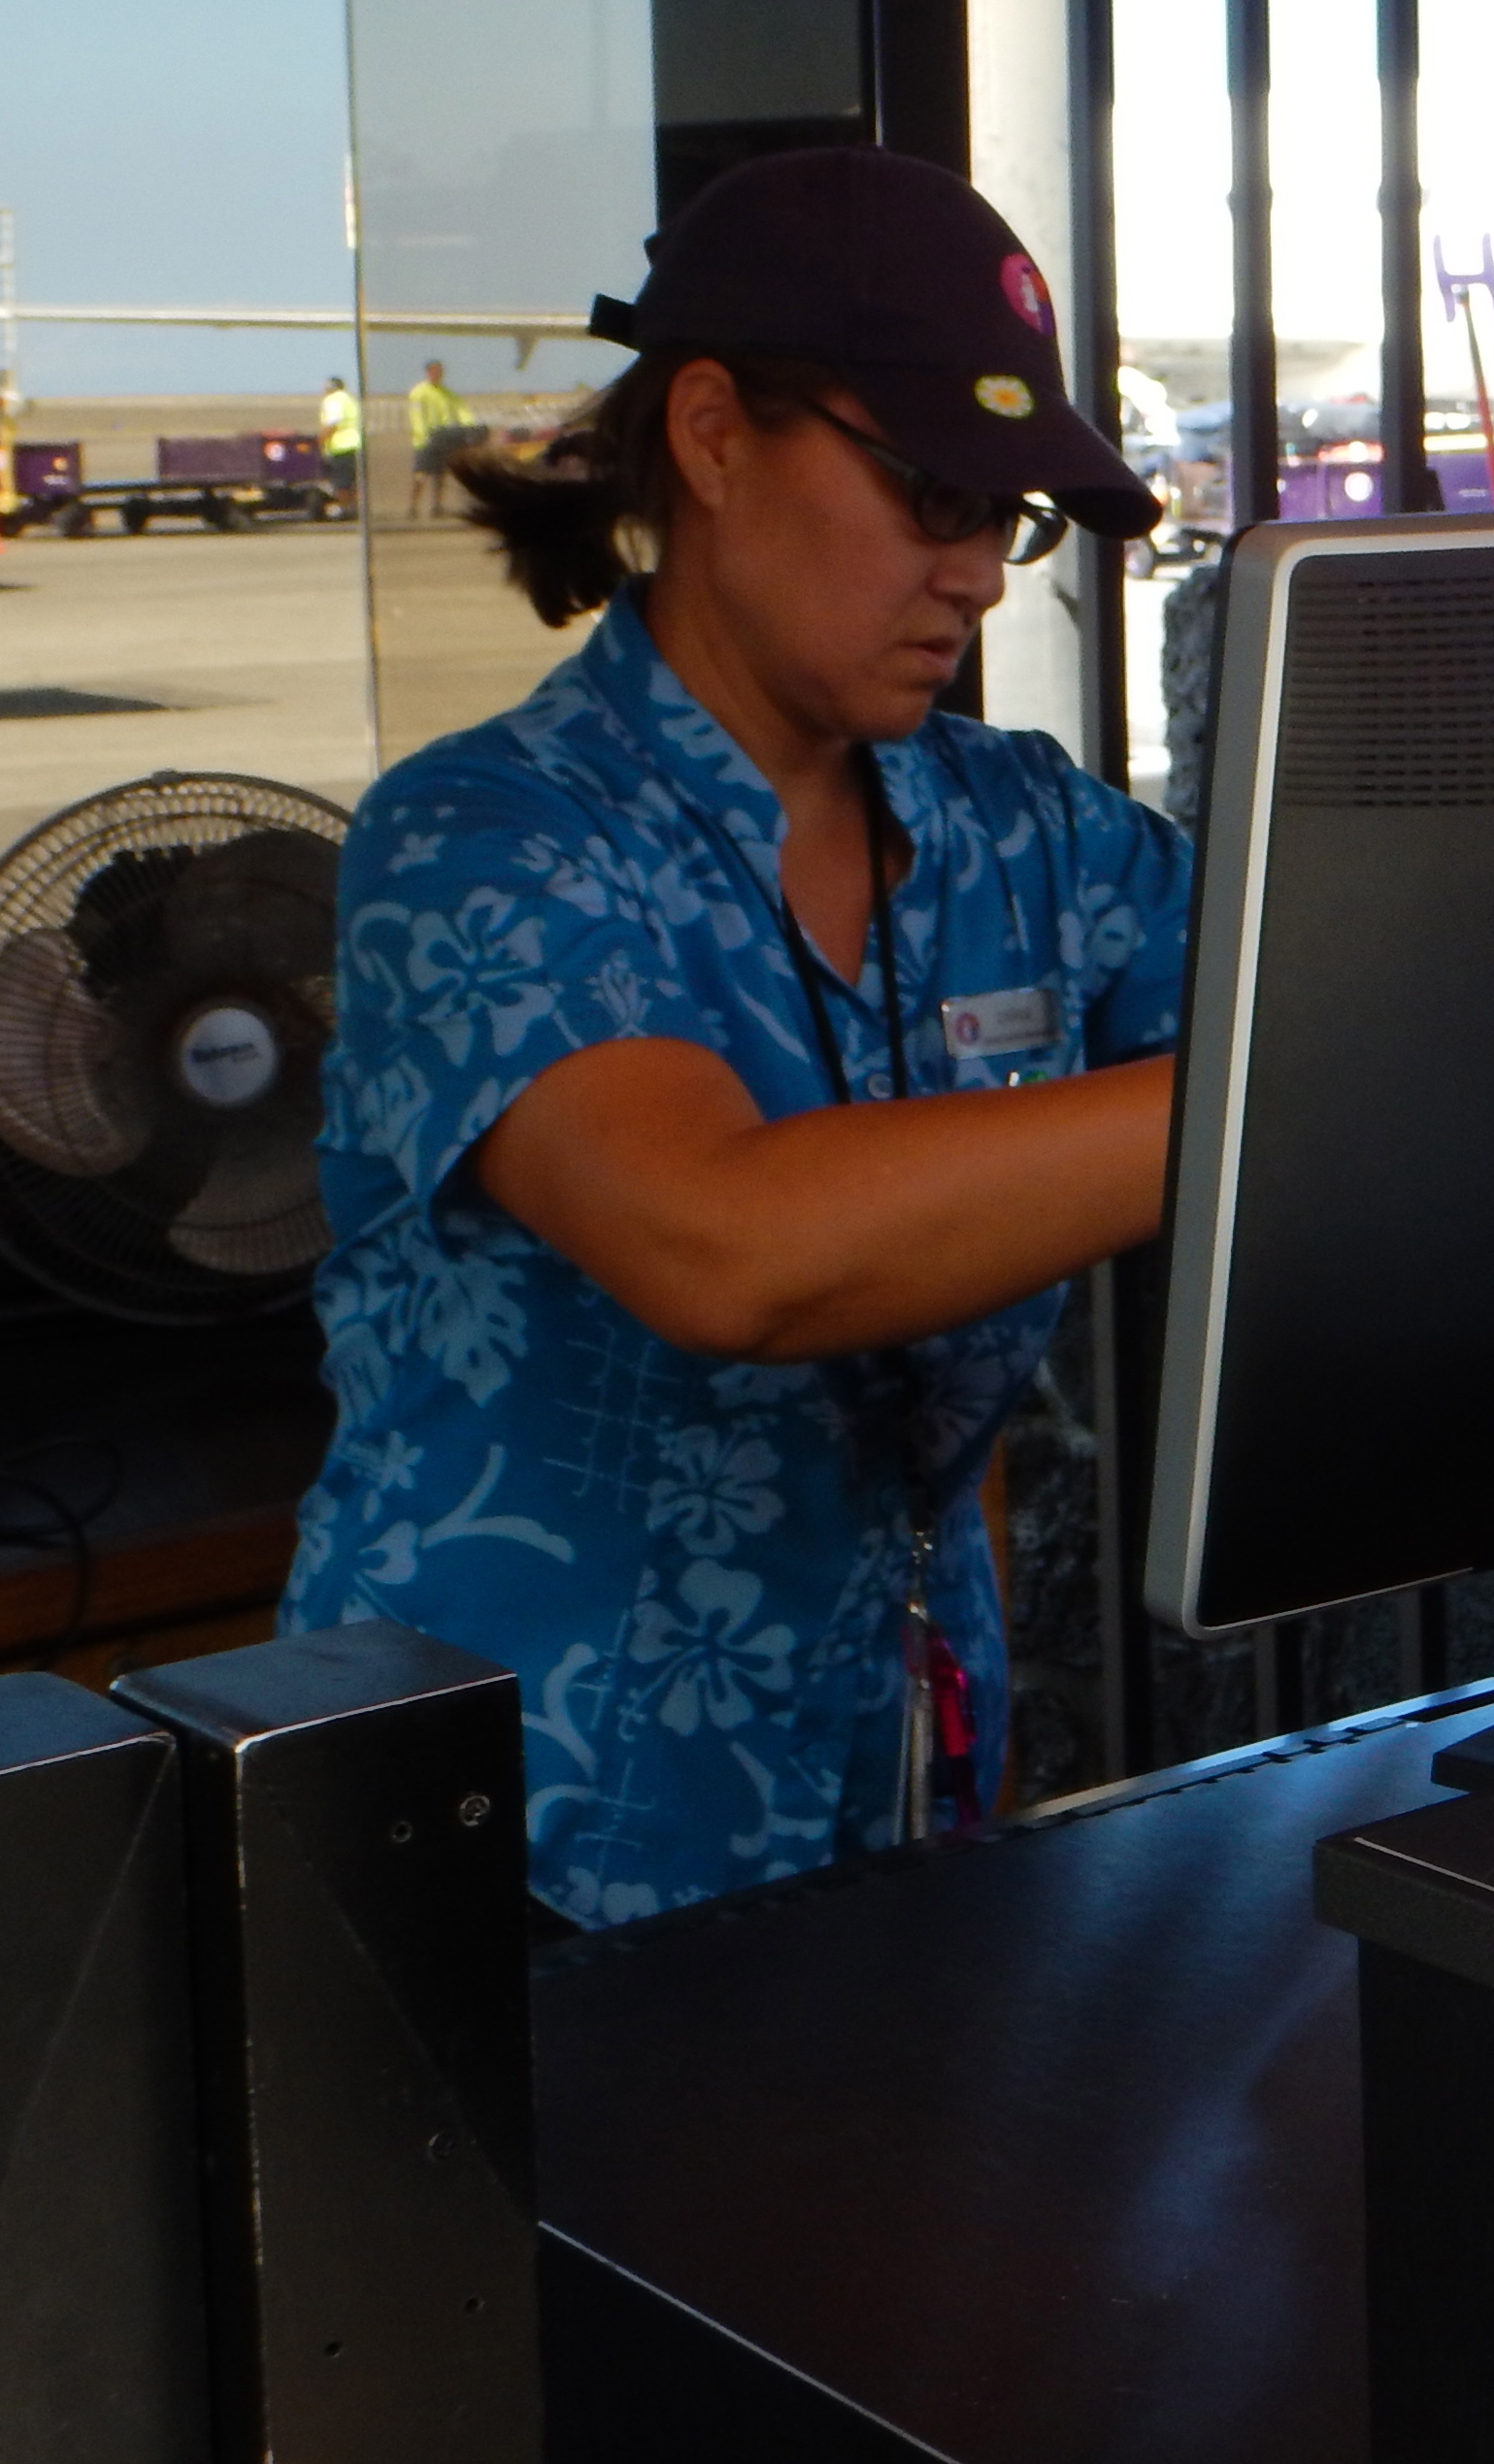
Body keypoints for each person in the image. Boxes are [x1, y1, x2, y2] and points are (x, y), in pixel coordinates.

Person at [279, 150, 1179, 1928]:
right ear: (709, 434)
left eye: (1005, 518)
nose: (979, 578)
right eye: (932, 494)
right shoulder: (483, 838)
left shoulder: (1030, 835)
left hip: (897, 1794)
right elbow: (722, 1241)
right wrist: (1270, 1098)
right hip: (514, 1848)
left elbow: (1330, 1000)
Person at [405, 356, 477, 516]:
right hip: (424, 441)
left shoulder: (448, 393)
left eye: (440, 372)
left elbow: (461, 410)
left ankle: (437, 506)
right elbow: (416, 416)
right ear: (428, 372)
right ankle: (412, 506)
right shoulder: (419, 392)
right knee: (420, 475)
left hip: (443, 438)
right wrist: (423, 435)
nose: (438, 374)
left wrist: (469, 426)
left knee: (440, 475)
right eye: (434, 371)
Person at [316, 372, 361, 509]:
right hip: (357, 445)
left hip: (342, 447)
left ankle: (344, 509)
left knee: (342, 484)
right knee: (354, 482)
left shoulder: (333, 400)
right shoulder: (350, 399)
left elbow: (332, 423)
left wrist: (320, 441)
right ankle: (356, 510)